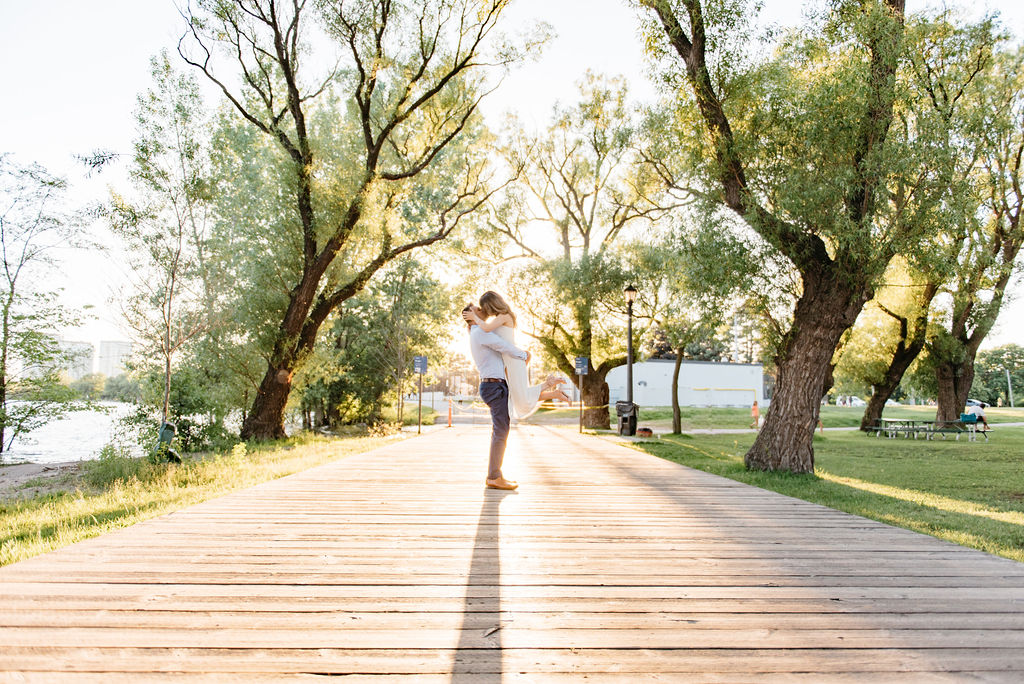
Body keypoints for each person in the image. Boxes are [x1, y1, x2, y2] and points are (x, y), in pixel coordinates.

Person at [463, 291, 571, 418]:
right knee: (518, 397)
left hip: (513, 359)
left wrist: (475, 318)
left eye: (483, 307)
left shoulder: (504, 316)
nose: (484, 310)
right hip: (508, 362)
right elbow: (485, 335)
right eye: (480, 309)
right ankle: (553, 390)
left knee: (522, 399)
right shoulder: (493, 322)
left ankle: (552, 389)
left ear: (491, 304)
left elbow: (487, 330)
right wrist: (472, 326)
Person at [462, 302, 533, 491]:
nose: (481, 310)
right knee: (501, 431)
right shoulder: (480, 333)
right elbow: (502, 346)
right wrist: (524, 354)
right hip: (493, 386)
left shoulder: (477, 332)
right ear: (470, 315)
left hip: (493, 385)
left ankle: (495, 475)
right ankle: (494, 476)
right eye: (477, 309)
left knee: (500, 430)